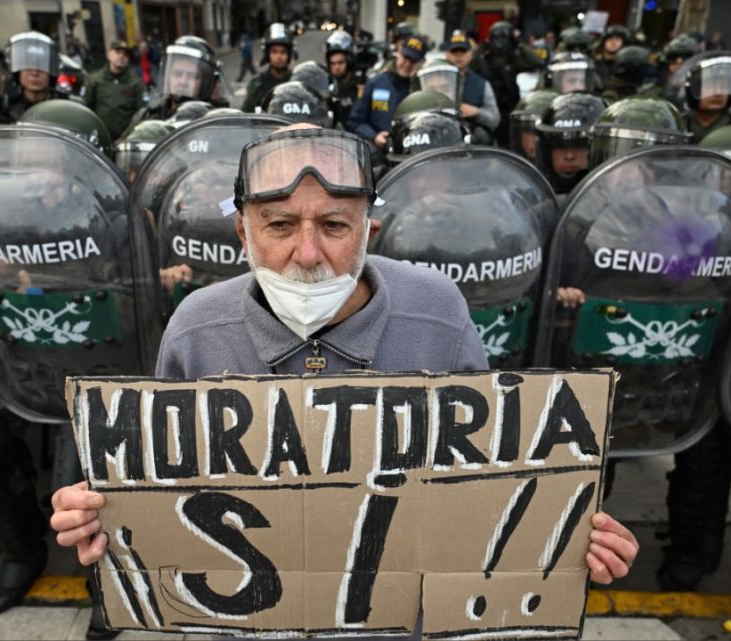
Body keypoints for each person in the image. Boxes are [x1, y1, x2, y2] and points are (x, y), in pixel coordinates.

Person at [48, 124, 641, 604]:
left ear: (368, 231)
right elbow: (164, 487)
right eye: (280, 225)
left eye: (334, 225)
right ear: (243, 233)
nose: (307, 253)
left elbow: (489, 478)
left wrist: (564, 536)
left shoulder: (440, 312)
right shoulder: (194, 328)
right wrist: (105, 512)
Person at [348, 34, 426, 168]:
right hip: (379, 157)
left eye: (413, 61)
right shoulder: (375, 82)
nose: (407, 64)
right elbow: (354, 122)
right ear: (398, 54)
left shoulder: (423, 88)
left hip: (412, 158)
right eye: (405, 57)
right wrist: (374, 137)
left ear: (421, 62)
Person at [472, 20, 544, 145]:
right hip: (489, 108)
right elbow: (468, 64)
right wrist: (482, 46)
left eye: (504, 38)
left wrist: (520, 44)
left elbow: (537, 62)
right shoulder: (484, 59)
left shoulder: (513, 60)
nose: (500, 42)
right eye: (496, 38)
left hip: (509, 108)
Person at [83, 40, 146, 140]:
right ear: (109, 54)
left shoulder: (135, 83)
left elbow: (142, 112)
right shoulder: (94, 80)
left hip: (127, 139)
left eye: (125, 54)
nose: (121, 56)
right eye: (118, 52)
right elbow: (86, 108)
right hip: (101, 136)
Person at [444, 30, 499, 145]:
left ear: (470, 54)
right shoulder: (435, 80)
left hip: (472, 143)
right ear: (447, 54)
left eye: (463, 51)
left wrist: (476, 112)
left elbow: (495, 119)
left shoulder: (482, 84)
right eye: (454, 51)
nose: (459, 55)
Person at [6, 31, 69, 122]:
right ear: (18, 73)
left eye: (42, 66)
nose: (34, 73)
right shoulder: (8, 108)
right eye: (28, 66)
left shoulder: (65, 105)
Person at [242, 23, 293, 112]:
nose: (279, 57)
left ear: (289, 55)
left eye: (283, 52)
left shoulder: (295, 81)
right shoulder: (257, 84)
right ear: (267, 54)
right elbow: (246, 114)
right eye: (274, 52)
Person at [325, 30, 358, 129]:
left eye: (340, 62)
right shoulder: (326, 85)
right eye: (333, 63)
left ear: (349, 61)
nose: (337, 67)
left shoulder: (360, 86)